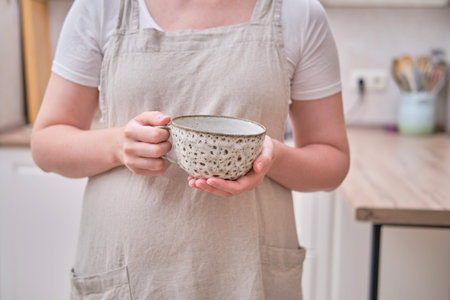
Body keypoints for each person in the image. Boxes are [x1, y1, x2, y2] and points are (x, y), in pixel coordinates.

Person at [31, 0, 350, 298]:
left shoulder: (300, 14)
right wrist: (117, 145)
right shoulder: (101, 8)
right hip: (128, 275)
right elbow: (46, 144)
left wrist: (272, 157)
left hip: (249, 274)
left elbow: (332, 159)